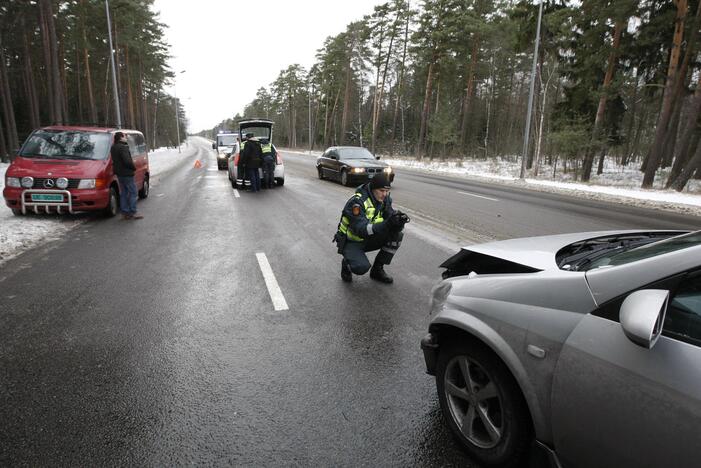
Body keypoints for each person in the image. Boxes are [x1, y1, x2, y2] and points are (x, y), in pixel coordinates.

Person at [334, 173, 409, 283]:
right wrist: (388, 223)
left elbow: (390, 219)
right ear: (373, 189)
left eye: (387, 191)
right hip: (351, 241)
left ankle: (377, 270)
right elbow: (361, 229)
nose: (385, 194)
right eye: (382, 191)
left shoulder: (385, 199)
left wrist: (398, 222)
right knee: (361, 267)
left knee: (397, 235)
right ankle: (347, 263)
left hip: (369, 238)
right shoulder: (357, 202)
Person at [110, 132, 143, 220]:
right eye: (124, 136)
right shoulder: (123, 148)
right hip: (127, 174)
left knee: (124, 193)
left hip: (119, 174)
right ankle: (133, 212)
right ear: (120, 138)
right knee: (133, 192)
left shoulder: (113, 148)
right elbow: (127, 161)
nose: (125, 138)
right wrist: (133, 167)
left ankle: (124, 212)